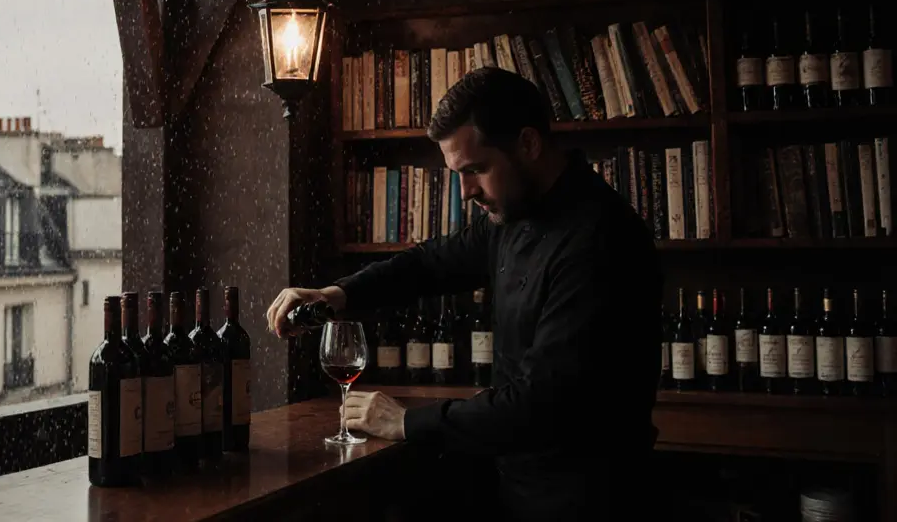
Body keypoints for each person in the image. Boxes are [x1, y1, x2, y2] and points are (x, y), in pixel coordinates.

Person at [266, 66, 662, 522]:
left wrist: (407, 422)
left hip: (587, 502)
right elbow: (429, 263)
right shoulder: (515, 212)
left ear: (528, 144)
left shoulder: (599, 241)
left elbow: (539, 405)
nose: (466, 191)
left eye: (475, 170)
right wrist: (335, 294)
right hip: (517, 486)